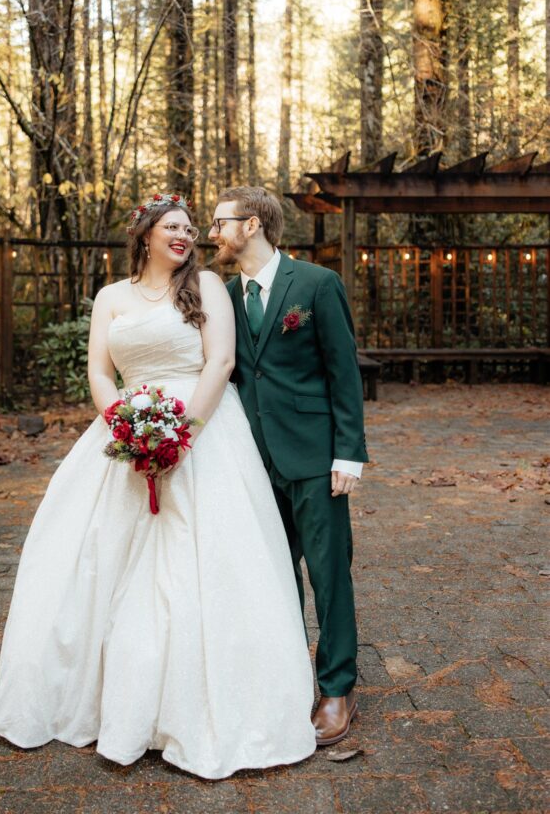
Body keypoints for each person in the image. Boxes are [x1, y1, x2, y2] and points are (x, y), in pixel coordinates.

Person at [0, 193, 316, 779]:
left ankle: (199, 710)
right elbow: (98, 370)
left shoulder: (208, 286)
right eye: (174, 227)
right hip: (123, 433)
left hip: (204, 428)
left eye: (191, 228)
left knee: (206, 564)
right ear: (145, 235)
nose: (186, 236)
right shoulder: (111, 297)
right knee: (93, 563)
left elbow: (219, 363)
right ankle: (104, 700)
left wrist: (179, 437)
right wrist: (126, 430)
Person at [208, 186, 368, 746]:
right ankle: (290, 680)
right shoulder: (223, 295)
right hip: (251, 460)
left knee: (328, 576)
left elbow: (344, 373)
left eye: (220, 223)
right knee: (273, 577)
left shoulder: (317, 285)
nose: (213, 234)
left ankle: (338, 686)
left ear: (251, 225)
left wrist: (349, 453)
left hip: (315, 457)